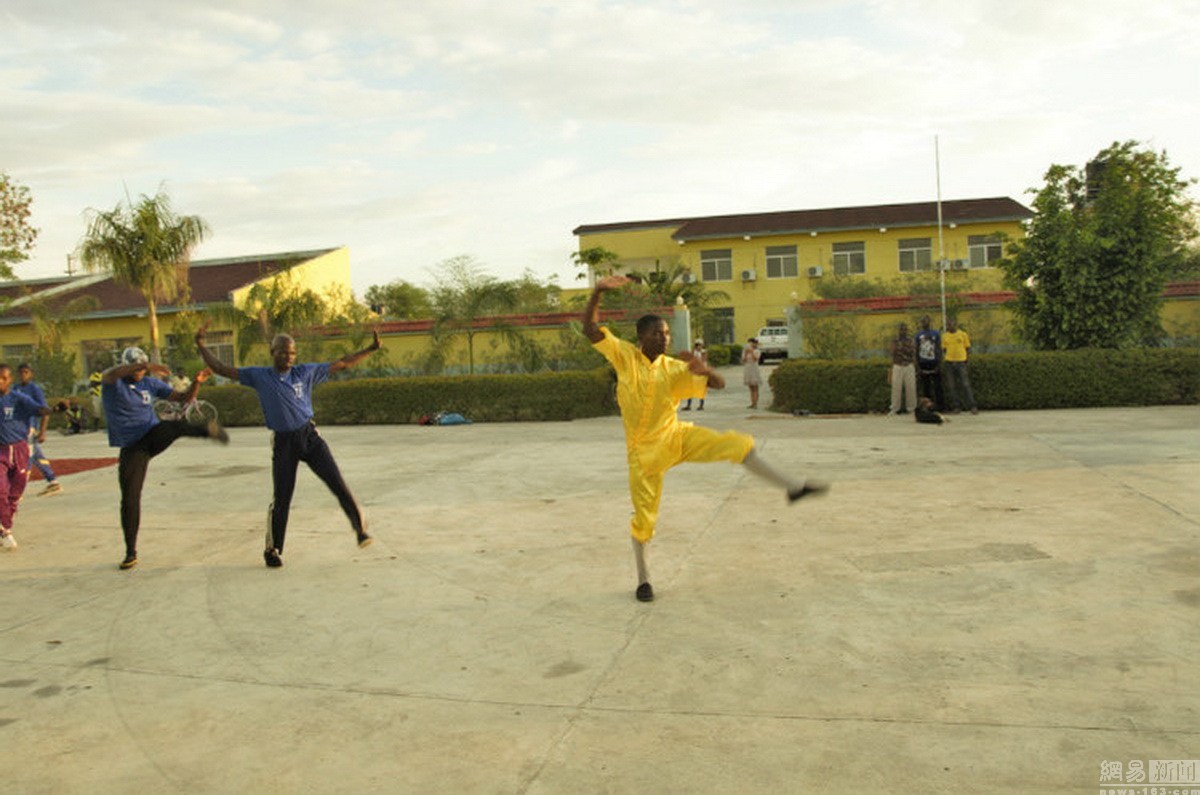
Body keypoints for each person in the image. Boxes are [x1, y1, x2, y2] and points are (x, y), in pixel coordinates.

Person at [583, 275, 829, 602]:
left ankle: (793, 487)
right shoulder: (625, 356)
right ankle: (644, 580)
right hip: (644, 455)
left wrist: (706, 371)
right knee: (644, 517)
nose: (665, 337)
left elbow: (718, 385)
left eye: (668, 333)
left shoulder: (673, 368)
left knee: (736, 444)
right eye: (658, 333)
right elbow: (590, 329)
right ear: (641, 336)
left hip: (677, 437)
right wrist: (598, 291)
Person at [195, 321, 380, 568]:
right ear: (273, 352)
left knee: (337, 483)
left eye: (292, 352)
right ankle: (272, 549)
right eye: (283, 351)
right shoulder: (259, 376)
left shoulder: (305, 373)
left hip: (310, 437)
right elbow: (220, 368)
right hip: (284, 443)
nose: (288, 356)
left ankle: (360, 530)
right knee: (282, 498)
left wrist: (370, 349)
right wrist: (201, 345)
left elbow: (342, 363)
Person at [102, 348, 229, 570]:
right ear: (129, 366)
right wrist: (146, 366)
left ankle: (207, 430)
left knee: (172, 426)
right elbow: (110, 374)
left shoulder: (150, 384)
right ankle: (130, 552)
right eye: (137, 369)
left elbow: (183, 398)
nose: (141, 373)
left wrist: (197, 382)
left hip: (151, 435)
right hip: (133, 448)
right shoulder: (114, 383)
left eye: (143, 369)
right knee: (130, 499)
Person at [0, 364, 52, 550]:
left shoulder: (19, 398)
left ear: (9, 380)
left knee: (16, 493)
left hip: (21, 448)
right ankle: (6, 531)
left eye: (3, 378)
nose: (0, 382)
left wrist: (55, 409)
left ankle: (5, 523)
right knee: (1, 491)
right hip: (1, 450)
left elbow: (40, 409)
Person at [14, 363, 63, 496]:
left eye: (26, 372)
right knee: (36, 455)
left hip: (29, 428)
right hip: (18, 428)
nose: (23, 375)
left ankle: (19, 488)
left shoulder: (34, 389)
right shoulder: (15, 389)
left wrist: (42, 432)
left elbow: (44, 410)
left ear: (31, 374)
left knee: (27, 457)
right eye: (21, 372)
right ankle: (53, 482)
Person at [942, 318, 979, 414]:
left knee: (965, 384)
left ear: (955, 325)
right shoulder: (945, 336)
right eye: (948, 325)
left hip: (961, 362)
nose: (949, 326)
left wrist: (967, 360)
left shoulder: (963, 334)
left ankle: (972, 406)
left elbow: (968, 348)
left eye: (951, 324)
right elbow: (944, 349)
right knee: (952, 386)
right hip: (949, 363)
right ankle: (956, 406)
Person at [914, 315, 944, 411]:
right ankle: (928, 407)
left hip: (934, 362)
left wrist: (939, 364)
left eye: (926, 321)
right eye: (922, 321)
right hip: (923, 363)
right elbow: (916, 351)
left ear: (929, 322)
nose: (924, 323)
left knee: (937, 387)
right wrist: (918, 367)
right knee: (926, 387)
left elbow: (939, 349)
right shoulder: (918, 335)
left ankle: (940, 406)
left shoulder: (936, 333)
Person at [887, 323, 917, 416]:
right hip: (897, 365)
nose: (903, 331)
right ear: (898, 331)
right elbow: (893, 352)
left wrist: (902, 349)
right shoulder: (894, 341)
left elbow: (912, 351)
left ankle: (911, 409)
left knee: (911, 387)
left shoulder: (911, 340)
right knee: (896, 387)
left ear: (906, 331)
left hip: (909, 365)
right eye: (901, 329)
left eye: (904, 329)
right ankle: (895, 409)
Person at [680, 339, 707, 411]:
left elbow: (703, 362)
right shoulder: (693, 352)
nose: (698, 347)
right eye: (697, 345)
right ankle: (688, 405)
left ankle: (701, 405)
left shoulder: (703, 353)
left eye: (700, 345)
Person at [742, 337, 762, 409]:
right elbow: (743, 360)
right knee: (751, 388)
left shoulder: (757, 351)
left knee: (755, 387)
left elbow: (755, 359)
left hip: (754, 369)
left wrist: (751, 351)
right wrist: (746, 353)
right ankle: (752, 403)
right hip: (748, 369)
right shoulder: (745, 351)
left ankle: (755, 403)